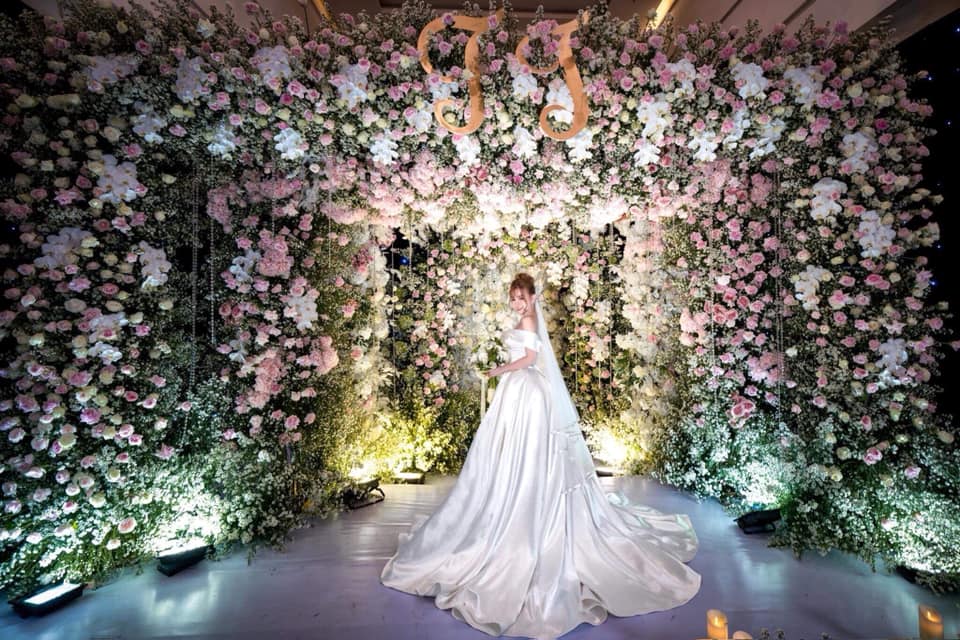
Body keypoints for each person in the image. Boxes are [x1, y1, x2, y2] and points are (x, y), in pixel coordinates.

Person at [381, 272, 700, 639]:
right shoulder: (523, 319)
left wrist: (498, 369)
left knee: (530, 451)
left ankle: (527, 502)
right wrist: (501, 367)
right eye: (514, 297)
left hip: (527, 392)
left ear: (533, 297)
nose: (518, 303)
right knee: (507, 450)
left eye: (522, 297)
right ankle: (508, 495)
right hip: (517, 391)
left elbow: (530, 358)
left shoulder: (530, 319)